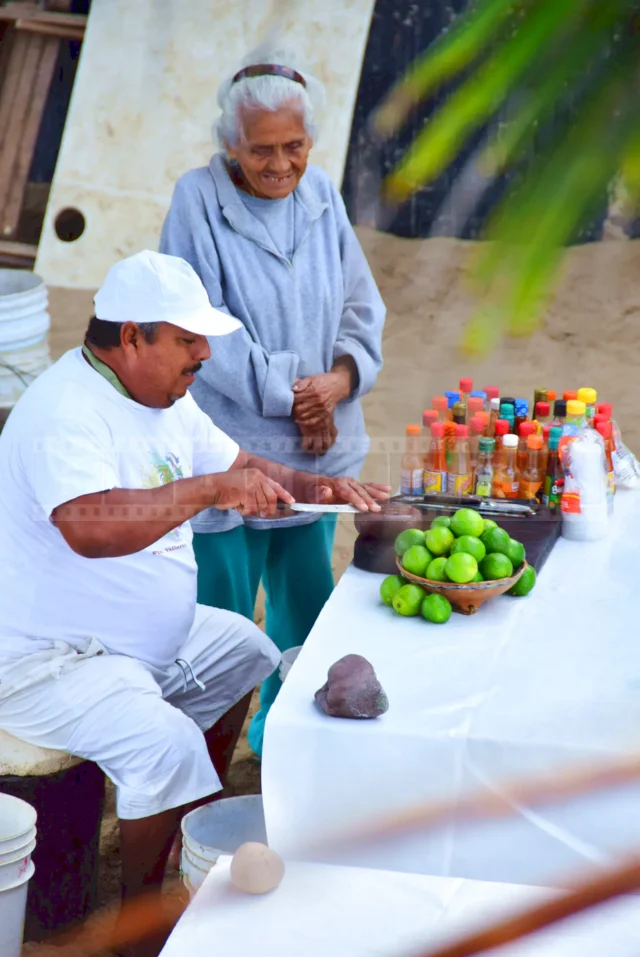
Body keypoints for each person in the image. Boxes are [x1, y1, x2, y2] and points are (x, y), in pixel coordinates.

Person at [0, 250, 388, 955]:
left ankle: (183, 820)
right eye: (187, 339)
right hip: (47, 658)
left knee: (245, 649)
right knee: (167, 745)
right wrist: (208, 492)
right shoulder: (65, 412)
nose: (204, 354)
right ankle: (140, 918)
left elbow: (237, 465)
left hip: (137, 641)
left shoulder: (164, 398)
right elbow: (87, 525)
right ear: (131, 337)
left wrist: (318, 486)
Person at [159, 49, 386, 754]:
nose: (281, 164)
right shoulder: (196, 200)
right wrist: (294, 392)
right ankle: (204, 753)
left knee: (307, 607)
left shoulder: (322, 193)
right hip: (233, 445)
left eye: (294, 146)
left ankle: (282, 739)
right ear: (230, 144)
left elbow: (361, 304)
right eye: (262, 150)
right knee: (223, 614)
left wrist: (338, 383)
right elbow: (200, 323)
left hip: (320, 446)